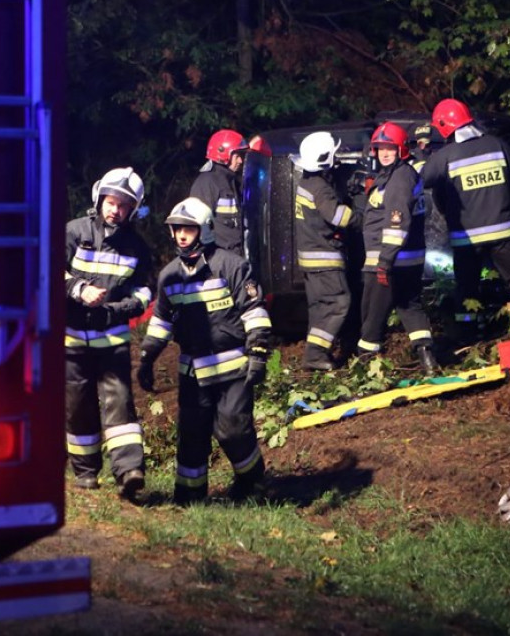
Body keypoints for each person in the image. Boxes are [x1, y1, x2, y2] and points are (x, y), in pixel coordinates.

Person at [136, 197, 272, 505]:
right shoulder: (169, 275)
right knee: (192, 439)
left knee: (233, 430)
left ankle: (252, 483)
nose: (181, 235)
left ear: (205, 231)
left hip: (232, 370)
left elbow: (254, 312)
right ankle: (188, 499)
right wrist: (147, 357)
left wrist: (258, 352)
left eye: (188, 229)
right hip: (192, 373)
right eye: (176, 229)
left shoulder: (232, 266)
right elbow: (161, 321)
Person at [64, 167, 153, 499]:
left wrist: (119, 310)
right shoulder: (73, 232)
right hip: (71, 339)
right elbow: (45, 269)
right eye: (111, 202)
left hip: (112, 341)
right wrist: (78, 289)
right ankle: (86, 474)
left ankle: (130, 471)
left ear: (132, 210)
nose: (115, 210)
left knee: (120, 405)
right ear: (100, 199)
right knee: (78, 407)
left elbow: (145, 292)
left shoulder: (137, 248)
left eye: (123, 205)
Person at [423, 98, 510, 340]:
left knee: (467, 289)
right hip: (504, 232)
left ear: (443, 126)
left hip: (466, 239)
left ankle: (468, 338)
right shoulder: (498, 145)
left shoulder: (445, 156)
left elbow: (423, 180)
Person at [358, 122, 439, 375]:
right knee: (409, 307)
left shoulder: (400, 177)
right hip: (406, 260)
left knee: (372, 317)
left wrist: (385, 261)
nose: (384, 153)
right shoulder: (393, 175)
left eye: (389, 148)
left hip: (389, 262)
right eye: (380, 148)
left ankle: (365, 371)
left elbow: (396, 220)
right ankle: (428, 360)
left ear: (401, 149)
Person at [293, 131, 356, 371]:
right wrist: (360, 215)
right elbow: (337, 216)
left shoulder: (306, 183)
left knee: (320, 308)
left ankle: (314, 356)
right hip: (325, 256)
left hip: (310, 258)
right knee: (340, 302)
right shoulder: (321, 188)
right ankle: (316, 354)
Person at [190, 128, 250, 256]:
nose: (241, 160)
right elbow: (197, 226)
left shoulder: (232, 181)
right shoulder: (207, 182)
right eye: (237, 156)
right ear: (223, 154)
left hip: (235, 258)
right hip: (217, 260)